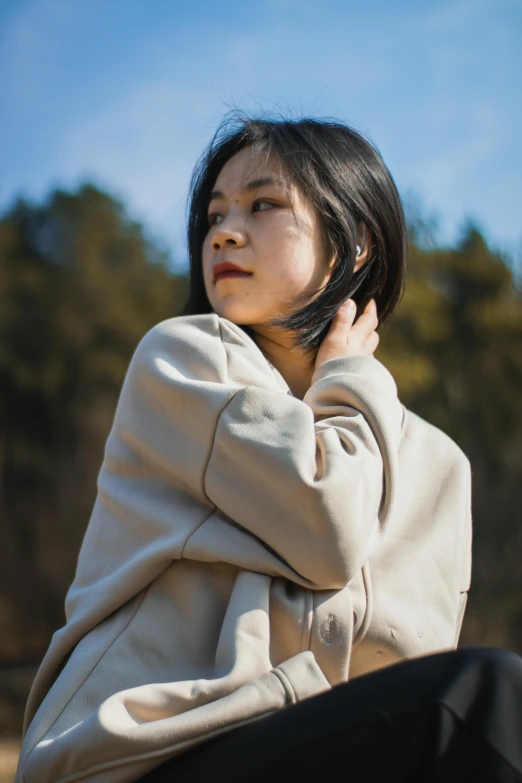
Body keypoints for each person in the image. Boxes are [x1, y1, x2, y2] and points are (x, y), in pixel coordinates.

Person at [15, 116, 522, 783]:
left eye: (263, 204)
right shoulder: (182, 363)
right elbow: (326, 527)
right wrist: (348, 378)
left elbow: (399, 680)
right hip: (141, 760)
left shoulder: (440, 466)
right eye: (215, 215)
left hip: (306, 753)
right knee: (489, 692)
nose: (224, 230)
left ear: (356, 243)